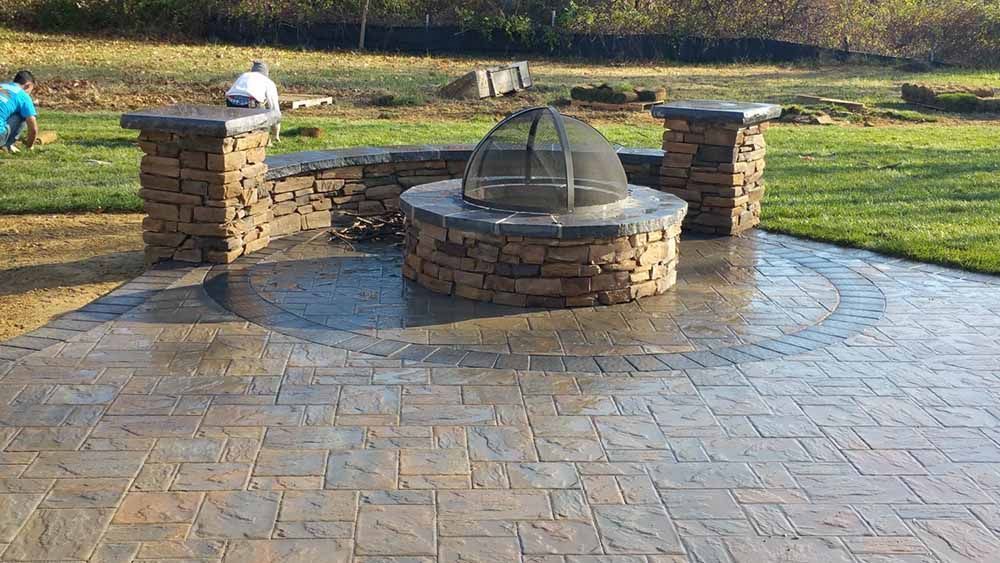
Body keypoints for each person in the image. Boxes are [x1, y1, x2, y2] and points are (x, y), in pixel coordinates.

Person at [226, 60, 281, 142]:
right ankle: (264, 141)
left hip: (231, 100)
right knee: (263, 120)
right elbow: (274, 109)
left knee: (236, 122)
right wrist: (276, 134)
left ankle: (235, 139)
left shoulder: (244, 75)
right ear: (266, 73)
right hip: (250, 102)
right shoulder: (268, 82)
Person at [0, 70, 38, 153]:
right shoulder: (23, 95)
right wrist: (30, 146)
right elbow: (33, 129)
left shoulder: (1, 86)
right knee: (25, 112)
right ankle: (8, 144)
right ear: (28, 85)